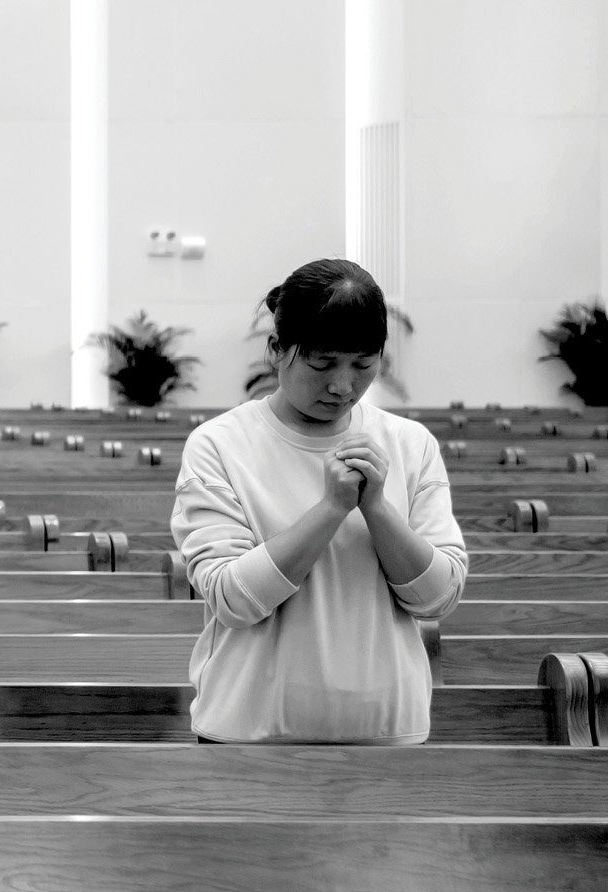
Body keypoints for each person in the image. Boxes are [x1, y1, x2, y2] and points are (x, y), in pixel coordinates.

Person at [169, 258, 467, 743]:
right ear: (276, 350)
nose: (342, 386)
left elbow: (438, 598)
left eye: (363, 366)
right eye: (323, 364)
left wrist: (377, 509)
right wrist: (331, 509)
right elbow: (232, 600)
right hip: (248, 738)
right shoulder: (220, 445)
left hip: (388, 738)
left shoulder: (411, 445)